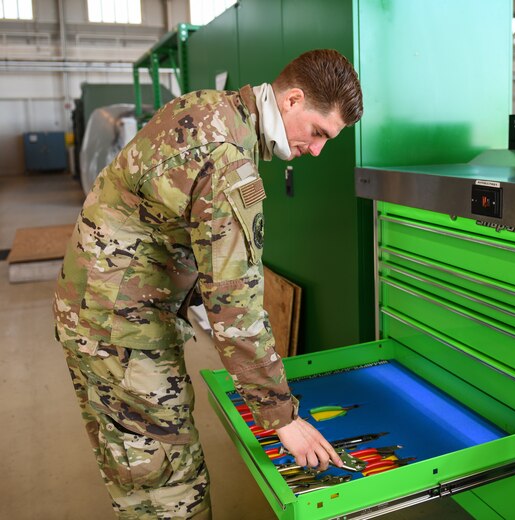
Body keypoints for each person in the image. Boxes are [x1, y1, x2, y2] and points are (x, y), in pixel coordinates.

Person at [53, 49, 363, 519]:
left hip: (92, 308)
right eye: (319, 132)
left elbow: (166, 216)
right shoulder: (230, 164)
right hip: (121, 329)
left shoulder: (207, 106)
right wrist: (284, 419)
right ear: (294, 100)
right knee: (170, 483)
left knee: (132, 466)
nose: (317, 149)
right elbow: (235, 306)